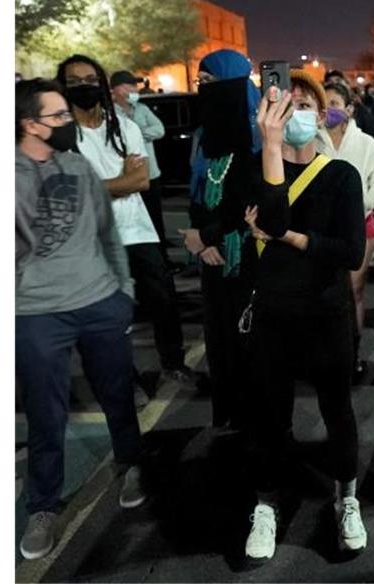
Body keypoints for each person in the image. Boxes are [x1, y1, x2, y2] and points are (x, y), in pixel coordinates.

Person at [16, 79, 145, 559]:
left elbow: (108, 234)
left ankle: (133, 463)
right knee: (46, 415)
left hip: (99, 301)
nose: (68, 124)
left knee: (117, 395)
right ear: (30, 125)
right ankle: (43, 507)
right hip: (35, 313)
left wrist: (123, 292)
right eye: (58, 117)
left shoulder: (78, 164)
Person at [241, 75, 367, 560]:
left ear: (323, 115)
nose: (298, 113)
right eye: (286, 104)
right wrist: (270, 148)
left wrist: (291, 239)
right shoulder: (256, 170)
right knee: (269, 415)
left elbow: (351, 253)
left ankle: (347, 498)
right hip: (272, 312)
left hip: (326, 311)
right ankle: (266, 506)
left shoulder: (340, 176)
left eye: (307, 104)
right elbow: (269, 218)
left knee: (338, 409)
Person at [57, 55, 195, 388]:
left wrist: (99, 185)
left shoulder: (125, 127)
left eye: (90, 80)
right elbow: (71, 191)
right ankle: (123, 377)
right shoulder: (61, 136)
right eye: (74, 82)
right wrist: (119, 180)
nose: (83, 87)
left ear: (101, 84)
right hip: (93, 236)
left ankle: (173, 364)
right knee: (110, 312)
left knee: (162, 300)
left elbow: (141, 181)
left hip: (138, 230)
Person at [181, 49, 262, 428]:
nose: (202, 90)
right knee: (219, 335)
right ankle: (227, 413)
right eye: (200, 84)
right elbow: (198, 194)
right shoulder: (205, 136)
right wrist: (204, 238)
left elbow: (251, 202)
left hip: (248, 254)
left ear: (232, 85)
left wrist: (208, 235)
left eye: (209, 83)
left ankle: (256, 418)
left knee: (250, 338)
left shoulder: (260, 138)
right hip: (212, 256)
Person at [324, 80, 374, 383]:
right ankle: (325, 354)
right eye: (322, 104)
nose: (328, 110)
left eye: (335, 104)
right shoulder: (310, 141)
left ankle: (352, 352)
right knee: (323, 292)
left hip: (359, 225)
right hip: (322, 229)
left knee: (354, 291)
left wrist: (356, 203)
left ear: (349, 109)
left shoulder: (365, 144)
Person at [110, 70, 170, 262]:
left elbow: (159, 130)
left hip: (150, 175)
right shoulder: (110, 113)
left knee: (155, 221)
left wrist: (136, 134)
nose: (133, 90)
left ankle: (162, 260)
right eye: (129, 86)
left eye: (134, 86)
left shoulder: (142, 109)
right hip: (126, 177)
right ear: (116, 89)